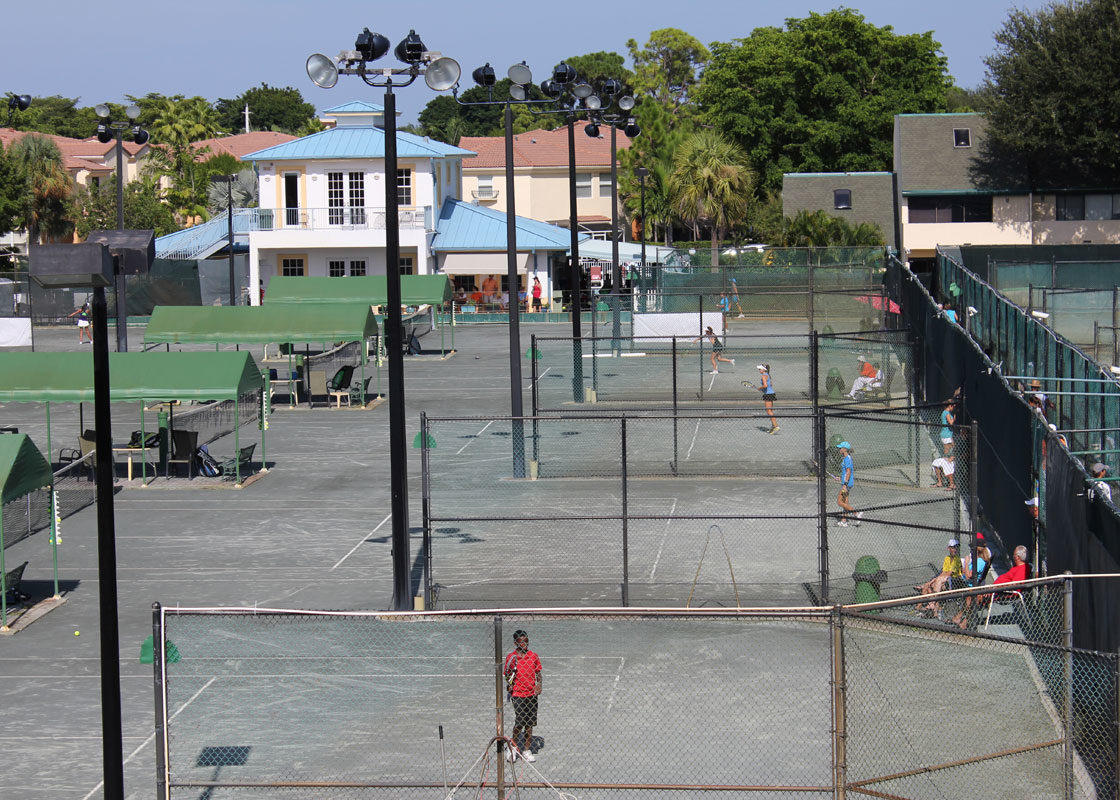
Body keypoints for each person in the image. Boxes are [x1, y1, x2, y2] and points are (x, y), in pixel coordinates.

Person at [503, 629, 542, 763]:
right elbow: (507, 675)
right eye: (521, 642)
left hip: (531, 694)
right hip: (518, 694)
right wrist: (509, 684)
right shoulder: (511, 658)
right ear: (515, 643)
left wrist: (539, 685)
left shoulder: (533, 656)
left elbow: (538, 673)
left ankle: (526, 750)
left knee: (529, 724)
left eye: (526, 641)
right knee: (520, 722)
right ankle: (512, 748)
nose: (524, 644)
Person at [915, 538, 965, 613]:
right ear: (948, 548)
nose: (955, 549)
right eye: (953, 547)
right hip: (945, 580)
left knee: (937, 582)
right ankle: (922, 607)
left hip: (954, 581)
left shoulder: (957, 560)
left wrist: (936, 580)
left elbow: (949, 573)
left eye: (956, 547)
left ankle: (932, 604)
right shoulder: (947, 558)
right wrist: (932, 581)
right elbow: (944, 572)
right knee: (927, 585)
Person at [834, 441, 861, 526]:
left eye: (840, 448)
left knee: (839, 502)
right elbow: (846, 472)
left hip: (847, 484)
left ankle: (856, 514)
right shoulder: (846, 458)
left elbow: (848, 472)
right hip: (846, 483)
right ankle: (844, 521)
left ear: (845, 449)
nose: (839, 449)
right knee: (845, 502)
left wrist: (845, 484)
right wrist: (840, 478)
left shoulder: (847, 459)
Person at [754, 364, 779, 434]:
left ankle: (776, 426)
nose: (759, 370)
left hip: (768, 395)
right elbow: (770, 385)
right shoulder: (768, 375)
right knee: (770, 411)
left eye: (760, 369)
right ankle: (773, 427)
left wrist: (760, 388)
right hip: (771, 394)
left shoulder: (763, 376)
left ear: (764, 369)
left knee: (769, 411)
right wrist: (763, 390)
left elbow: (765, 385)